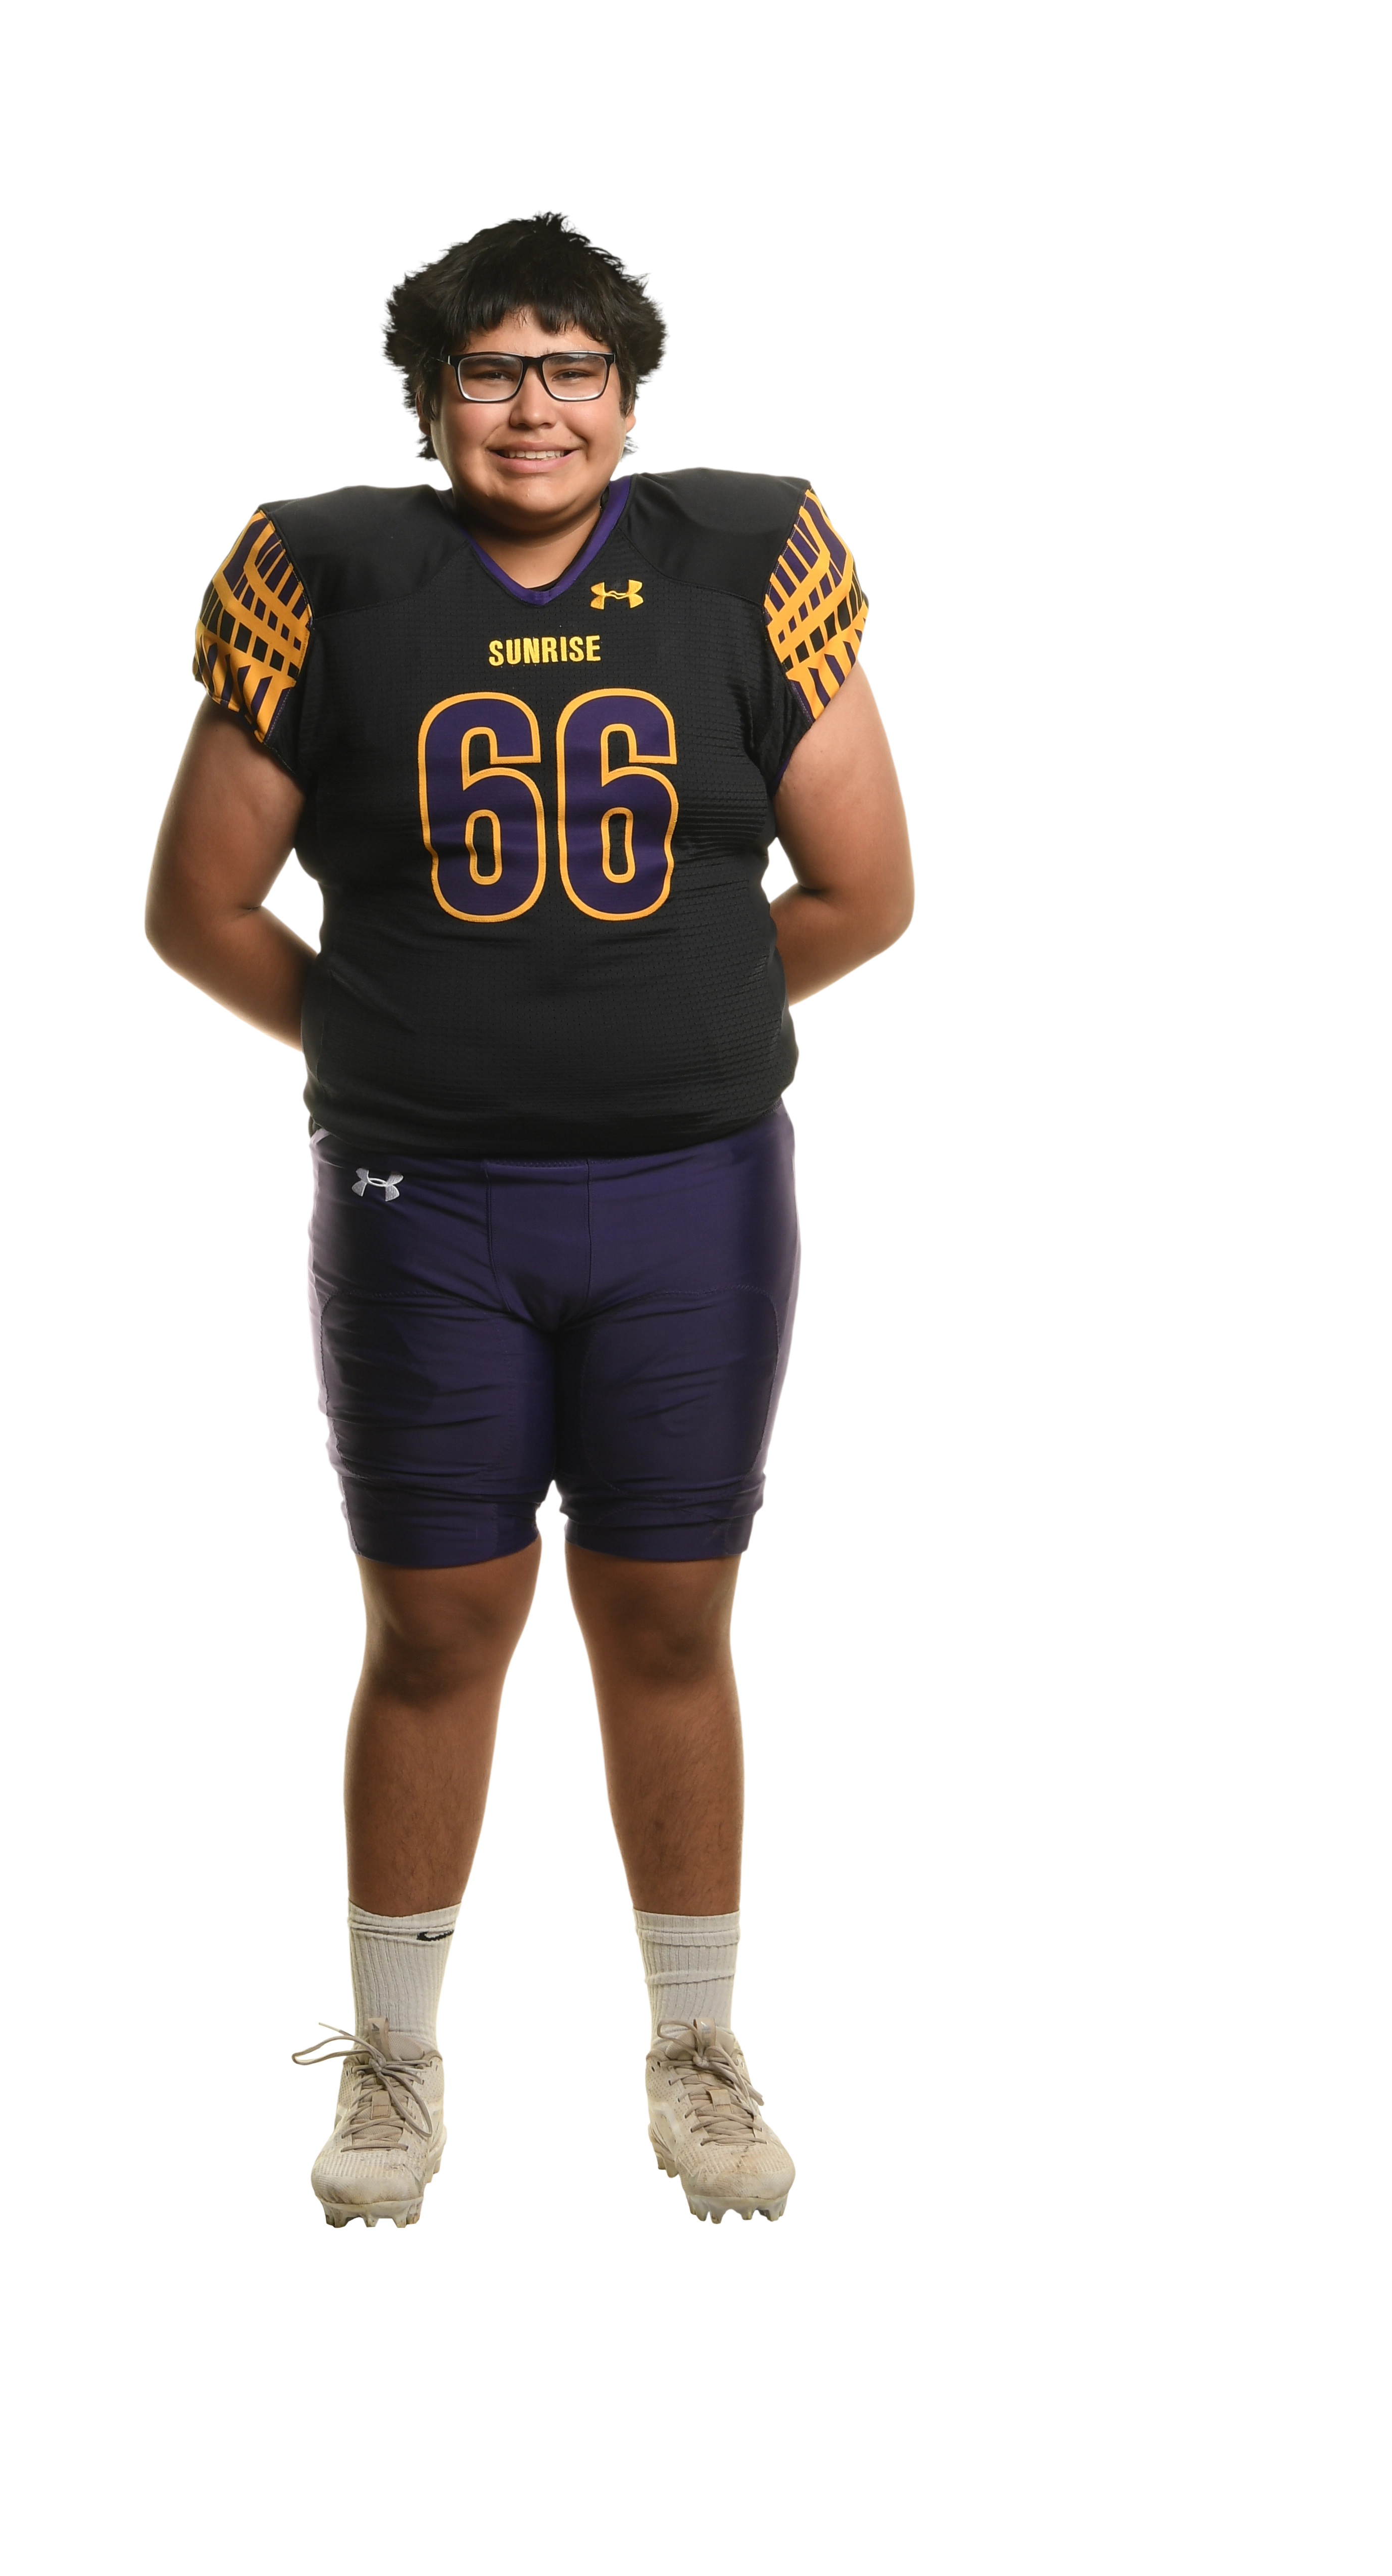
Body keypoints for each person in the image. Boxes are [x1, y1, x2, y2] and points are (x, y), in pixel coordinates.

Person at [144, 208, 913, 2230]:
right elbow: (200, 906)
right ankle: (395, 2068)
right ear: (429, 396)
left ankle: (696, 2053)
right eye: (489, 367)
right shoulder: (327, 570)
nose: (534, 404)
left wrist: (658, 1029)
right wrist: (417, 1045)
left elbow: (865, 889)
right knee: (433, 1628)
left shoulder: (745, 555)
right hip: (426, 1201)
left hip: (690, 1193)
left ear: (632, 391)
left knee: (672, 1616)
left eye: (573, 365)